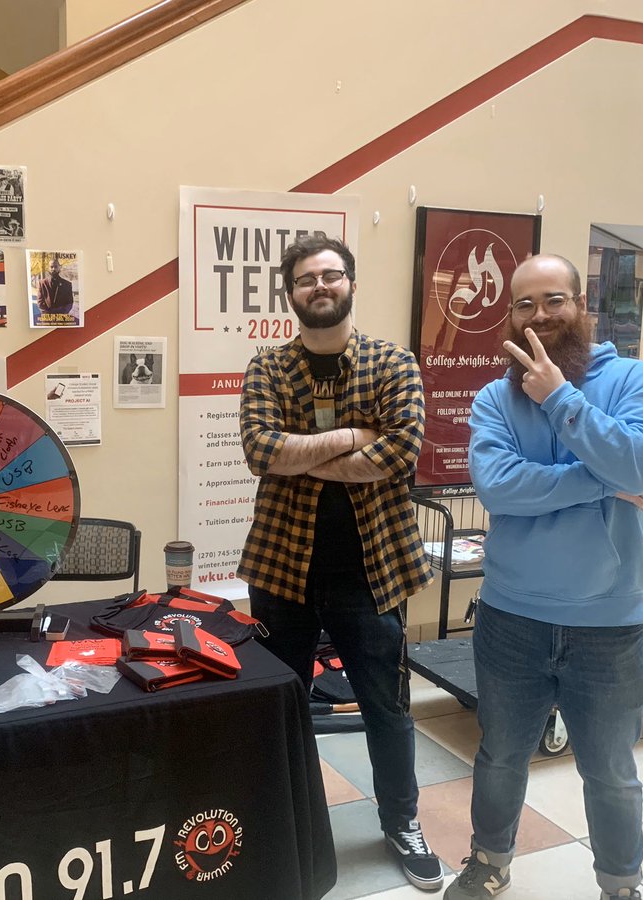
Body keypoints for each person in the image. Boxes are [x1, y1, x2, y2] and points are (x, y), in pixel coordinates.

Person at [445, 254, 643, 900]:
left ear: (582, 305)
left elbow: (642, 464)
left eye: (554, 300)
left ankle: (620, 885)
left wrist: (561, 401)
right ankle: (490, 861)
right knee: (499, 757)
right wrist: (600, 480)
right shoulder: (495, 398)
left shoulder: (634, 380)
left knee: (610, 772)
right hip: (511, 617)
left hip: (608, 624)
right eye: (524, 305)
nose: (540, 316)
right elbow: (499, 488)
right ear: (510, 318)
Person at [239, 235, 444, 891]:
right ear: (290, 293)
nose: (319, 286)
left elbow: (401, 452)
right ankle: (277, 824)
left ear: (351, 283)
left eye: (331, 275)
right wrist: (356, 436)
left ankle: (402, 822)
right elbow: (259, 449)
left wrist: (305, 453)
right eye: (306, 279)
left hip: (372, 571)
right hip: (281, 572)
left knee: (387, 709)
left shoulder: (392, 362)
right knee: (278, 707)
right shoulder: (267, 366)